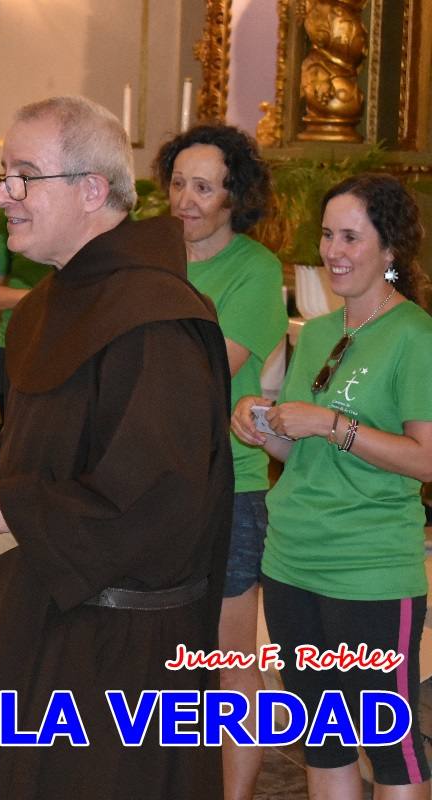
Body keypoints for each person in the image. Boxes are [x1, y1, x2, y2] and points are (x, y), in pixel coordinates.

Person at [0, 96, 234, 799]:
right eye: (2, 175)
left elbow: (158, 498)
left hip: (114, 653)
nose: (5, 196)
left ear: (93, 190)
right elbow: (51, 445)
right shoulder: (47, 306)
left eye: (24, 176)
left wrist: (19, 505)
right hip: (35, 615)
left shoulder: (156, 318)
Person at [232, 174, 432, 799]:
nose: (334, 250)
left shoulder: (415, 337)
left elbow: (426, 461)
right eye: (327, 234)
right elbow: (300, 455)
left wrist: (334, 424)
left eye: (352, 236)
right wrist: (261, 429)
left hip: (368, 568)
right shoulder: (316, 333)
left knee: (389, 746)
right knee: (325, 737)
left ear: (390, 249)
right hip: (293, 561)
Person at [153, 124, 287, 800]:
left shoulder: (255, 271)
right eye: (178, 183)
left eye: (203, 187)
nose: (186, 200)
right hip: (153, 483)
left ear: (236, 197)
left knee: (229, 659)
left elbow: (209, 367)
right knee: (161, 654)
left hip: (226, 484)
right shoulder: (149, 260)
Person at [0, 209, 53, 419]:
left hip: (78, 344)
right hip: (18, 345)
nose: (2, 195)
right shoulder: (8, 217)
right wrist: (41, 297)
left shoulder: (107, 215)